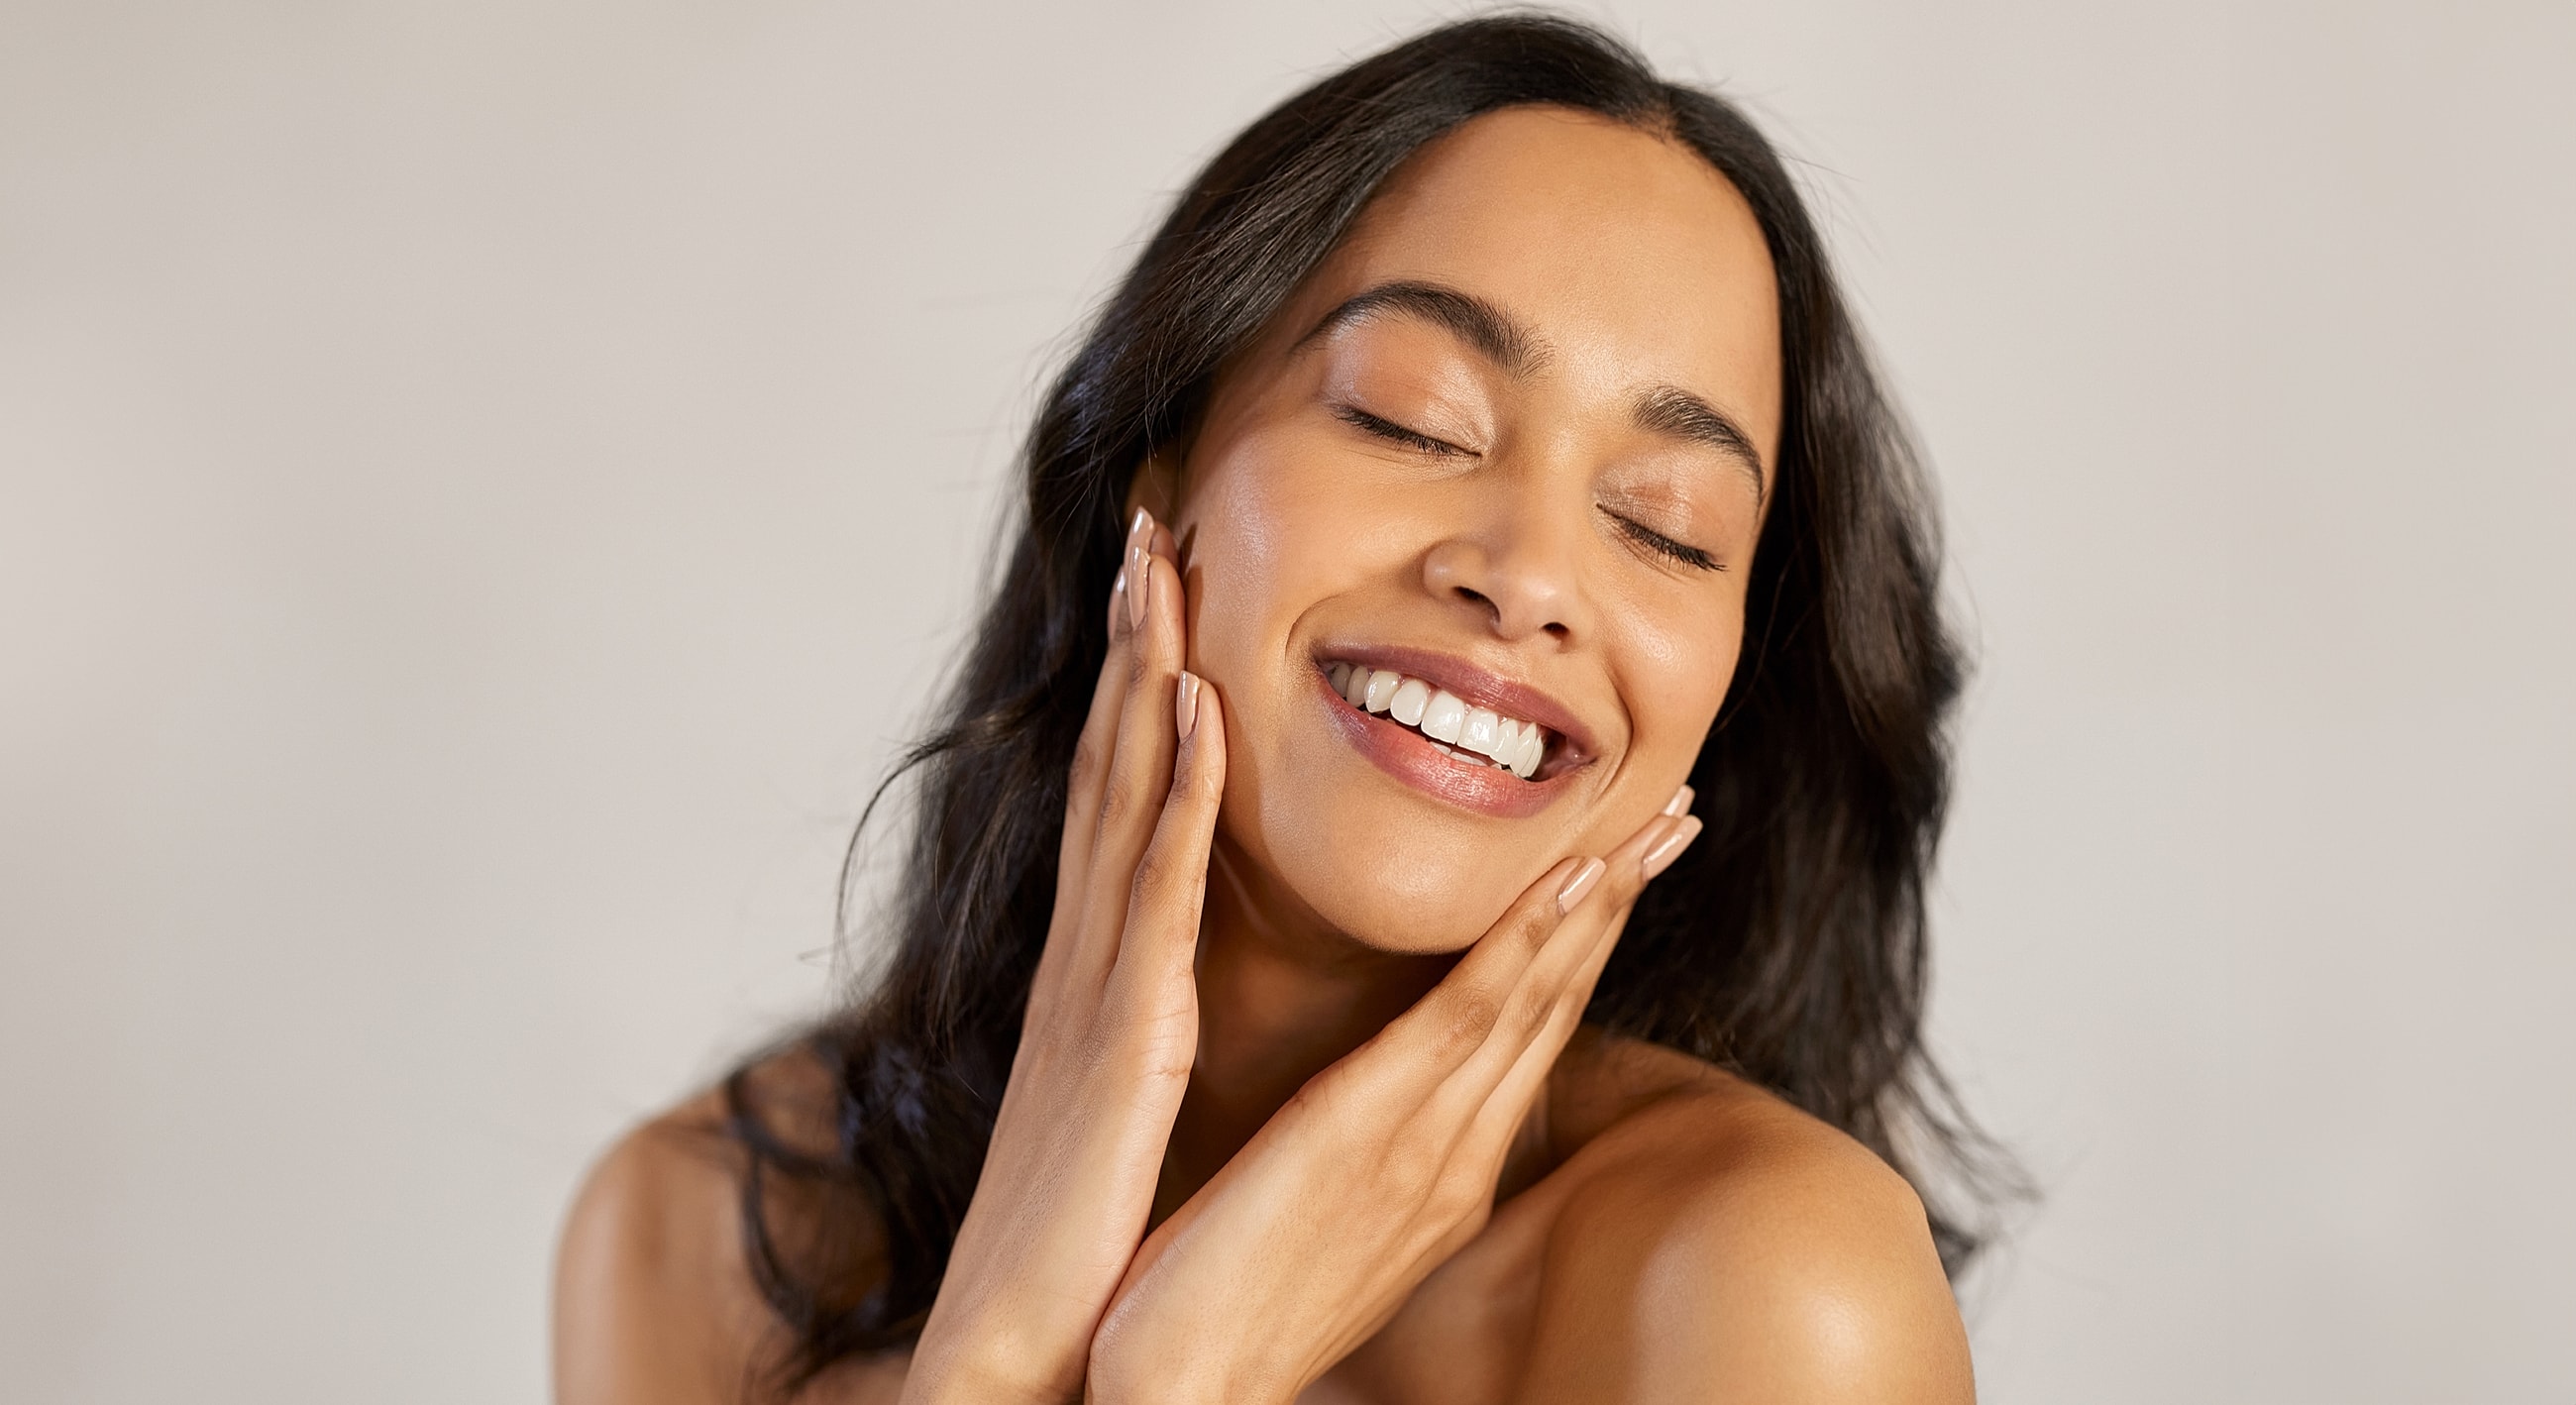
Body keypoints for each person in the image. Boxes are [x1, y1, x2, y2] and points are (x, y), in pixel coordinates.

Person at [555, 15, 2006, 1402]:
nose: (1528, 579)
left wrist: (1182, 1379)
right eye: (1410, 418)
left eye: (1670, 528)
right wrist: (997, 1363)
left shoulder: (1765, 1287)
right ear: (1156, 473)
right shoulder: (703, 1236)